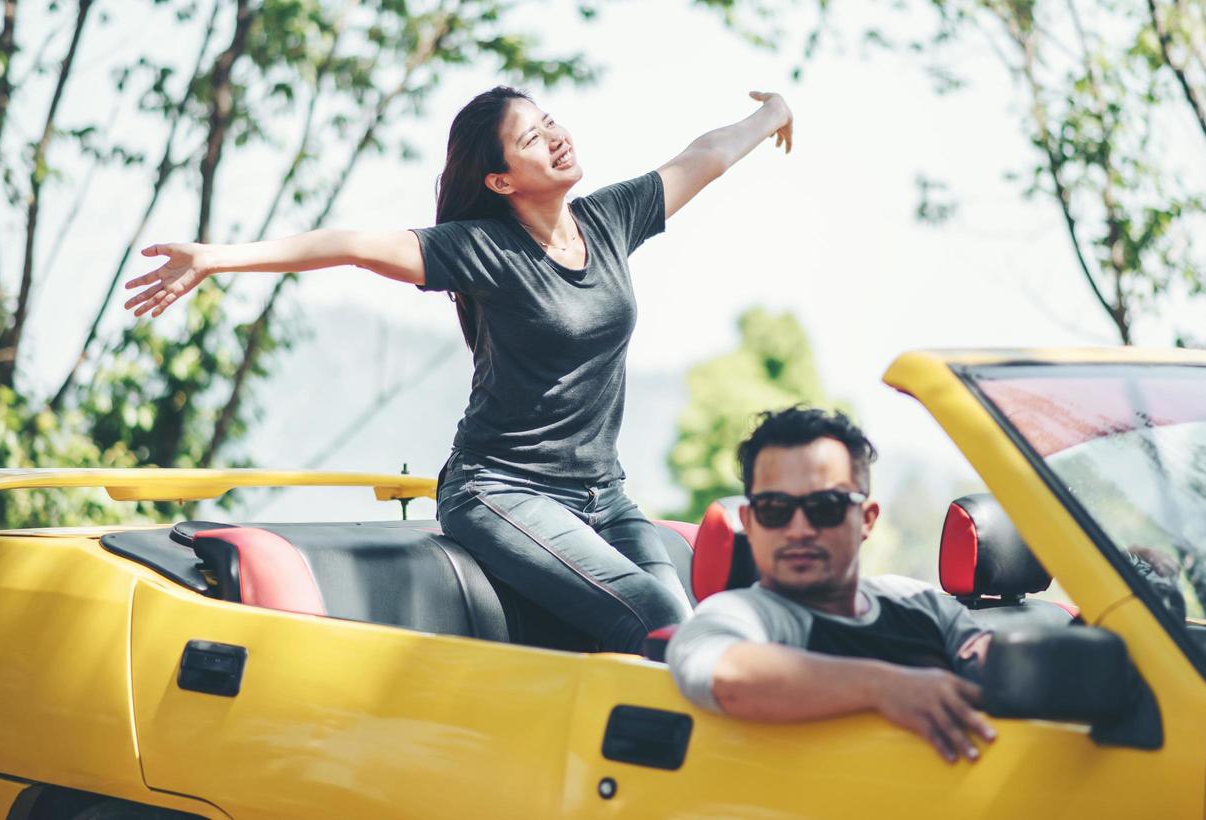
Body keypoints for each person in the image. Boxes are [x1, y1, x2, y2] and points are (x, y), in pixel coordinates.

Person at [122, 85, 795, 654]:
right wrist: (217, 257)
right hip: (502, 492)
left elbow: (703, 158)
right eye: (531, 138)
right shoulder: (483, 249)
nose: (555, 137)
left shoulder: (612, 219)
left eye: (549, 122)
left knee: (699, 635)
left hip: (603, 493)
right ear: (500, 180)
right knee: (657, 615)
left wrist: (771, 114)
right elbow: (355, 245)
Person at [666, 406, 997, 763]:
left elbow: (999, 666)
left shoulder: (922, 602)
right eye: (775, 507)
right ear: (749, 521)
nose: (799, 529)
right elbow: (722, 671)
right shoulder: (742, 613)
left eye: (825, 506)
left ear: (867, 519)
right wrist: (883, 687)